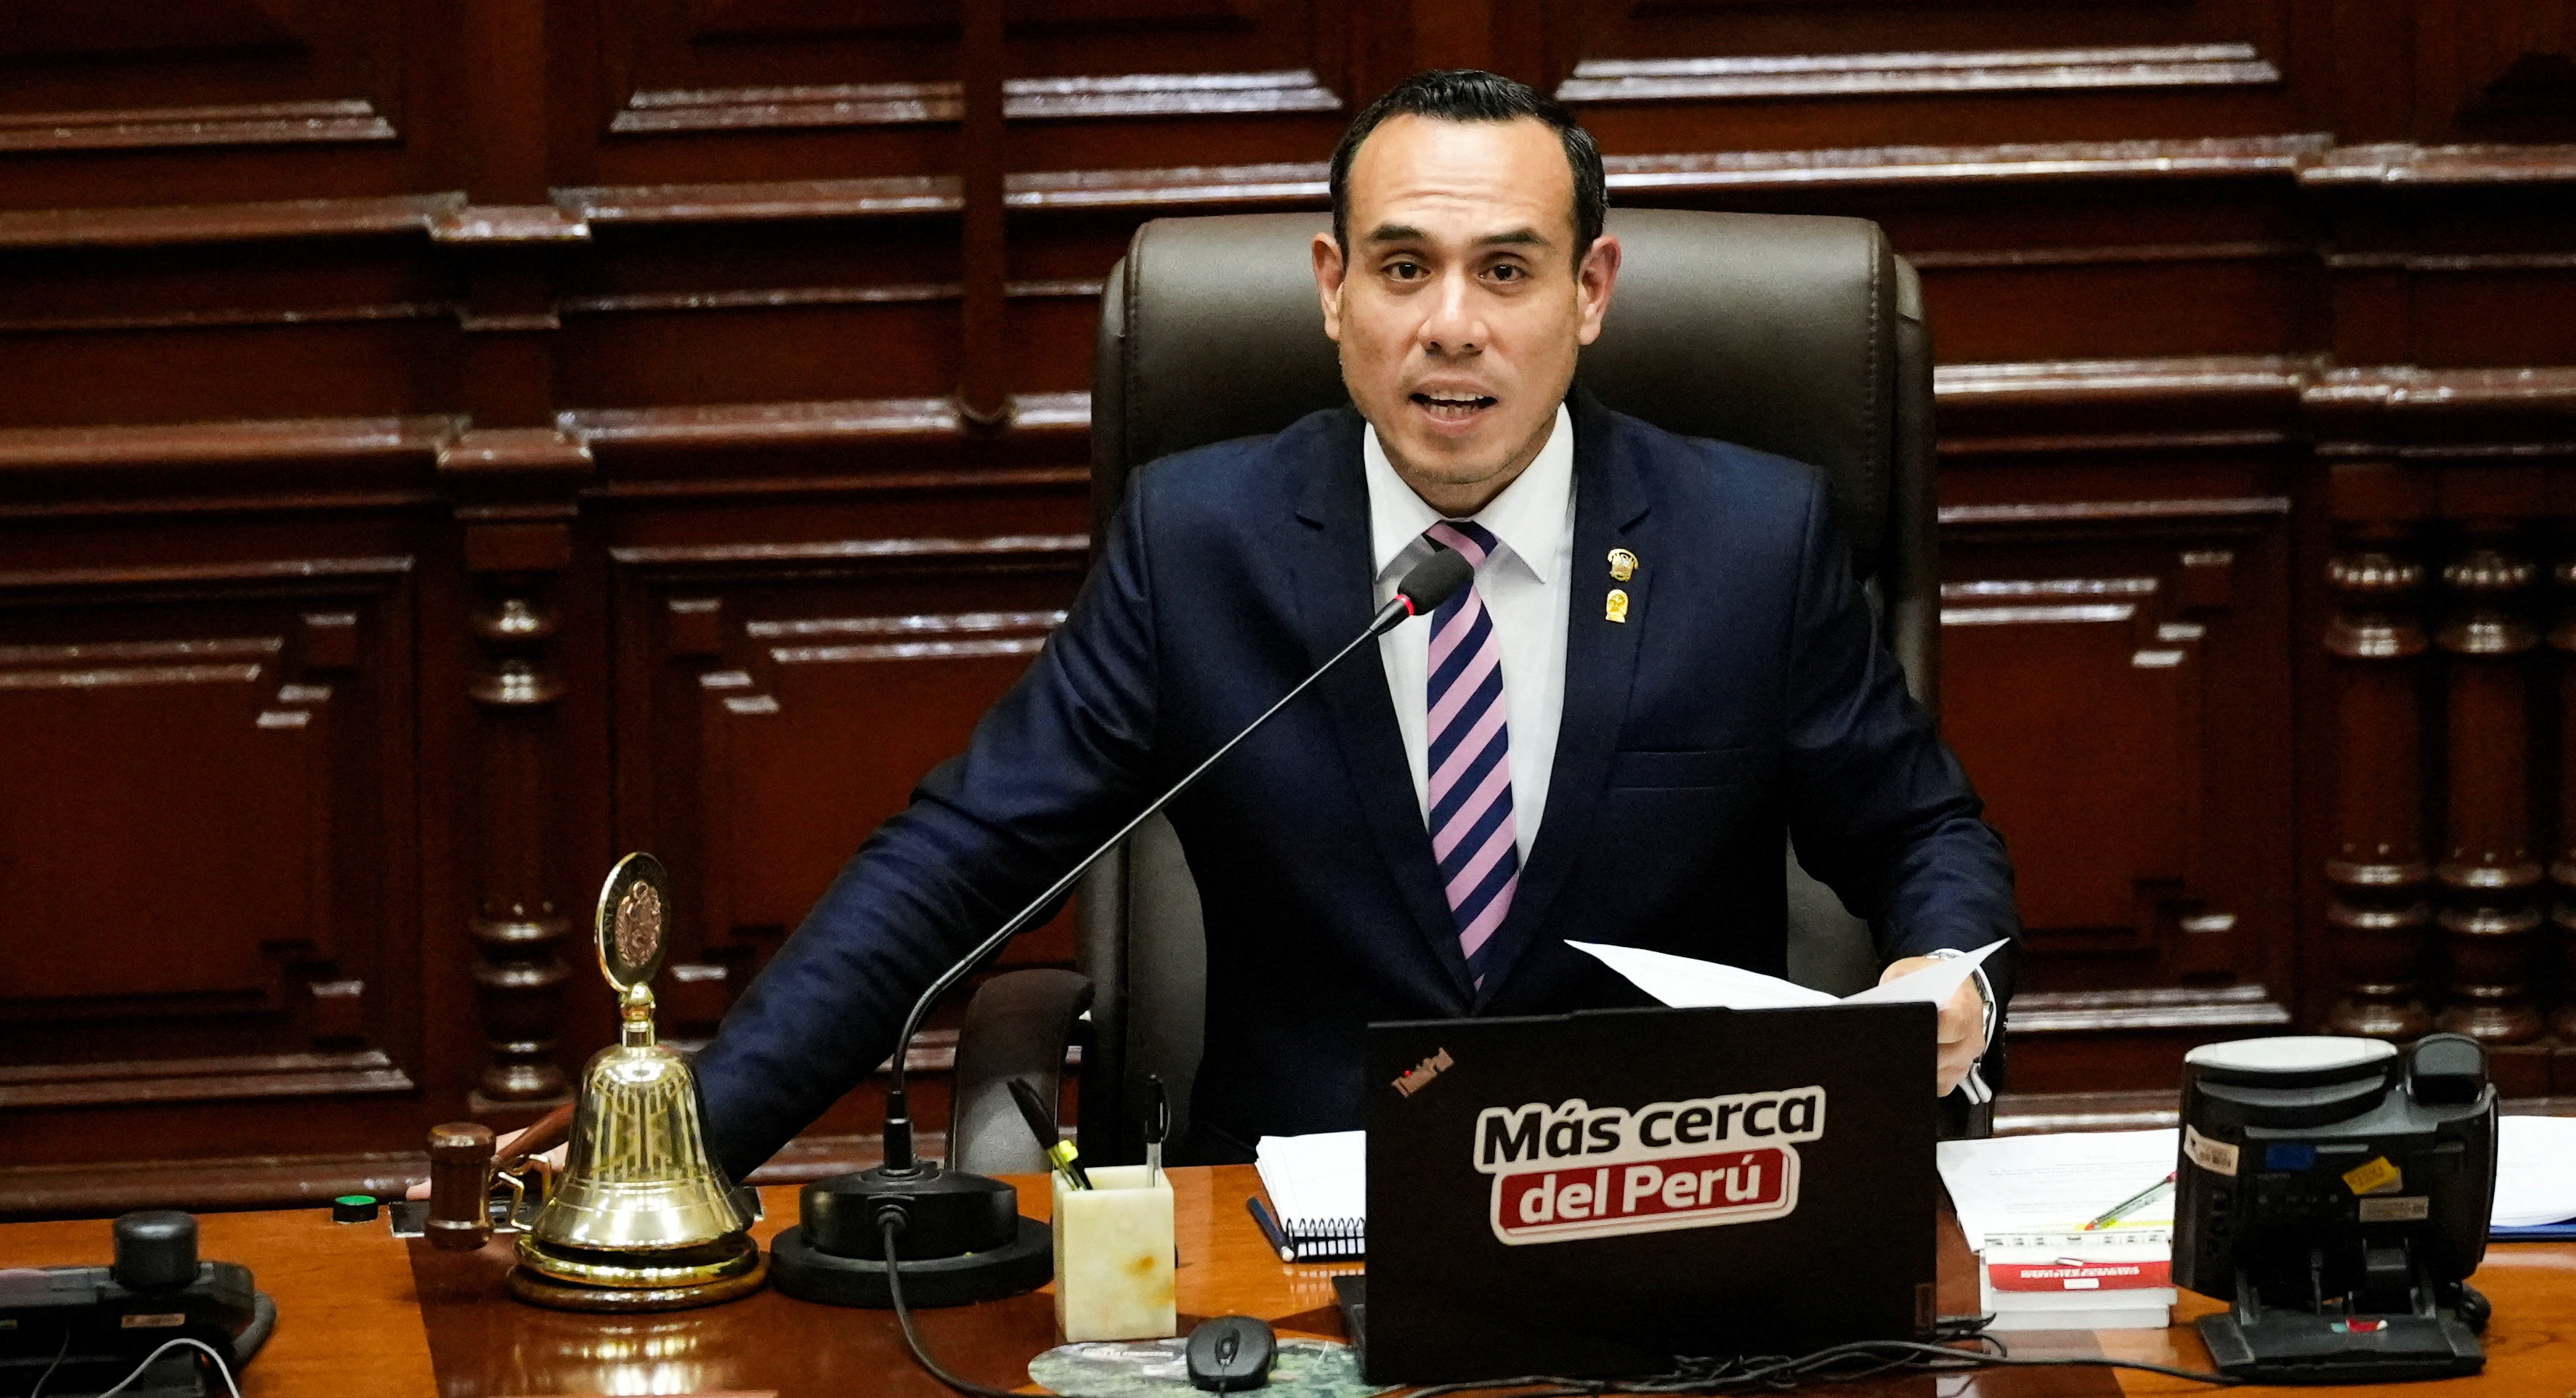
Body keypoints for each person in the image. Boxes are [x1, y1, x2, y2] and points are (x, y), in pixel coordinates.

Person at [689, 71, 2019, 1179]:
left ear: (1590, 291)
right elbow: (958, 865)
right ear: (1334, 290)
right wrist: (683, 1147)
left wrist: (1944, 972)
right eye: (1402, 268)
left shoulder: (1750, 541)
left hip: (1655, 1201)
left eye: (1505, 270)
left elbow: (1918, 832)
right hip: (1288, 1235)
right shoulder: (1199, 544)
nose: (1451, 326)